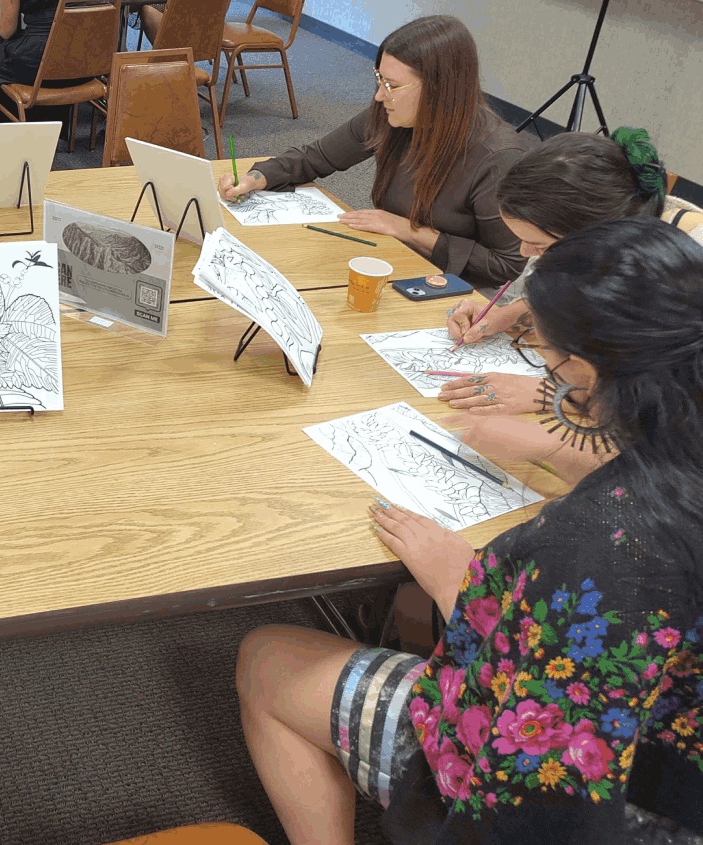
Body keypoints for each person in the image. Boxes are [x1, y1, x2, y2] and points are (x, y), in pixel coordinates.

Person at [236, 218, 703, 844]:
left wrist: (459, 580)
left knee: (266, 659)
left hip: (625, 804)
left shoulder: (604, 544)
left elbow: (544, 741)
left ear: (585, 367)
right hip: (675, 744)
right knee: (406, 614)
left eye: (544, 351)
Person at [217, 16, 533, 289]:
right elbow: (316, 156)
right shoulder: (390, 115)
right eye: (379, 79)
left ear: (440, 89)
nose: (380, 95)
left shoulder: (497, 156)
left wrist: (409, 230)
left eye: (392, 85)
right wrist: (255, 178)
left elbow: (503, 266)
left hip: (459, 289)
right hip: (394, 258)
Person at [439, 128, 702, 416]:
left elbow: (679, 408)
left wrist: (560, 396)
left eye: (538, 245)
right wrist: (509, 313)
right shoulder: (591, 234)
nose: (525, 252)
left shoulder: (688, 269)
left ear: (596, 236)